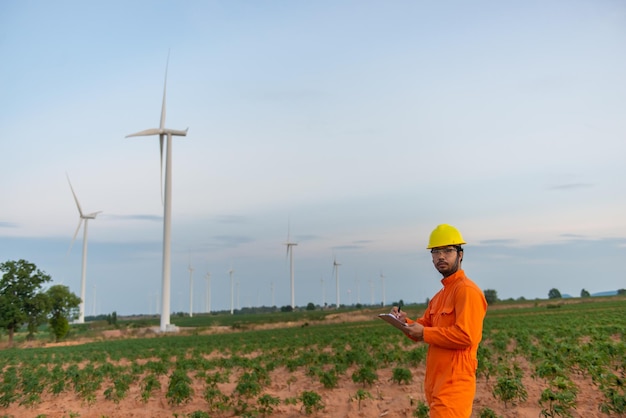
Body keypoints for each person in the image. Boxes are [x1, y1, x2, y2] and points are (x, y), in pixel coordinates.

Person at [392, 224, 487, 418]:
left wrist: (424, 333)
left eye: (447, 251)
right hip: (437, 383)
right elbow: (422, 328)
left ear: (460, 255)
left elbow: (466, 336)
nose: (441, 256)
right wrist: (403, 321)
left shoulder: (466, 291)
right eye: (435, 252)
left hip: (454, 384)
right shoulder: (439, 296)